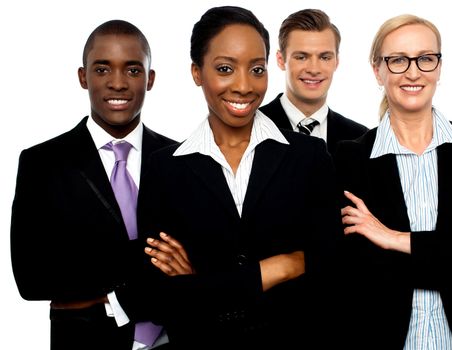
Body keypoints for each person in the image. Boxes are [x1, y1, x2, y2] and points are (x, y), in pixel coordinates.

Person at [114, 6, 342, 349]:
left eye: (257, 69)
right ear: (196, 72)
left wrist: (200, 283)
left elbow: (333, 274)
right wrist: (279, 267)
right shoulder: (165, 168)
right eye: (225, 69)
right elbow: (157, 298)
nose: (243, 86)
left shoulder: (309, 156)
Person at [335, 14, 452, 349]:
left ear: (438, 66)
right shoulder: (351, 159)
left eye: (425, 58)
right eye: (397, 60)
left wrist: (391, 238)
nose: (413, 71)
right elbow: (357, 265)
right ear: (377, 70)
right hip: (381, 338)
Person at [10, 20, 177, 350]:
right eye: (102, 70)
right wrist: (150, 263)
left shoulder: (182, 158)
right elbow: (31, 277)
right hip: (85, 340)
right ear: (83, 77)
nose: (117, 83)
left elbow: (205, 261)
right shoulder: (43, 163)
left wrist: (84, 261)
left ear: (150, 78)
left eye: (132, 70)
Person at [259, 8, 368, 156]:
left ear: (336, 61)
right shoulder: (253, 127)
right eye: (301, 57)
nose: (314, 69)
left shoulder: (360, 137)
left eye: (324, 57)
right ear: (280, 60)